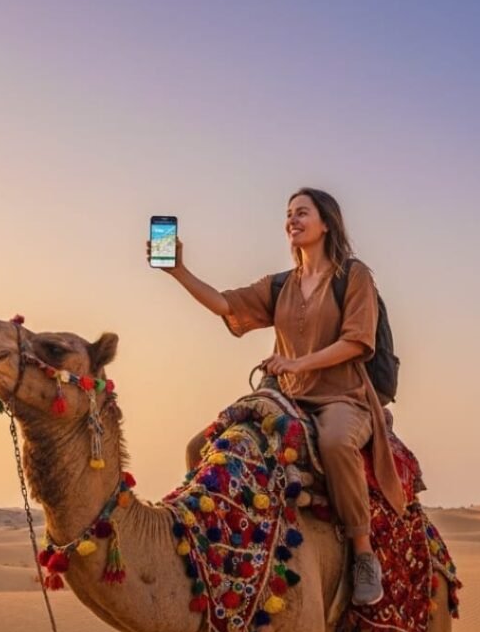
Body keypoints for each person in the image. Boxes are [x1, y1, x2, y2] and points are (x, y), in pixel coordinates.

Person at [148, 187, 406, 606]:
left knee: (336, 443)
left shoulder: (352, 276)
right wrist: (178, 270)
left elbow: (357, 342)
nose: (292, 220)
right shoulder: (281, 285)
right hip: (285, 396)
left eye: (302, 212)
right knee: (201, 446)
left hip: (343, 396)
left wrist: (299, 364)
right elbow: (224, 304)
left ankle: (362, 554)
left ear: (326, 222)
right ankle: (212, 545)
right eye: (288, 214)